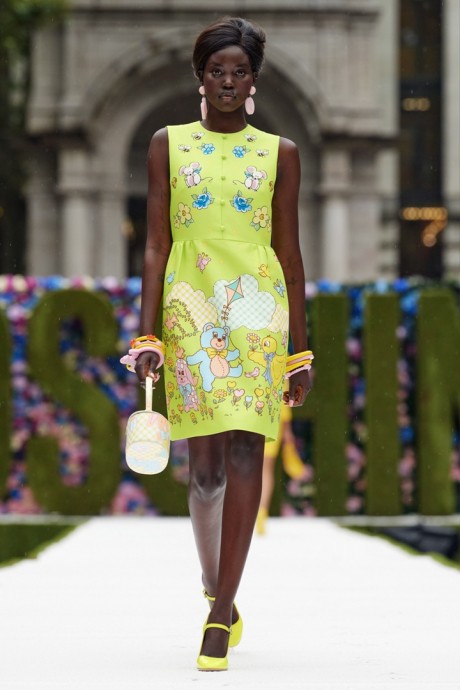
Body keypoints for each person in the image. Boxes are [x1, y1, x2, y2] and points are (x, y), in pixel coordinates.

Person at [131, 16, 312, 671]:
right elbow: (156, 245)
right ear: (200, 77)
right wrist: (148, 332)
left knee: (244, 451)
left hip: (257, 311)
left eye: (240, 71)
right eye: (217, 71)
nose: (228, 81)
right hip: (190, 309)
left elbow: (289, 254)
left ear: (253, 80)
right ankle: (216, 589)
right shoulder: (167, 144)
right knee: (204, 472)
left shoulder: (280, 153)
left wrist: (300, 351)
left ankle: (218, 614)